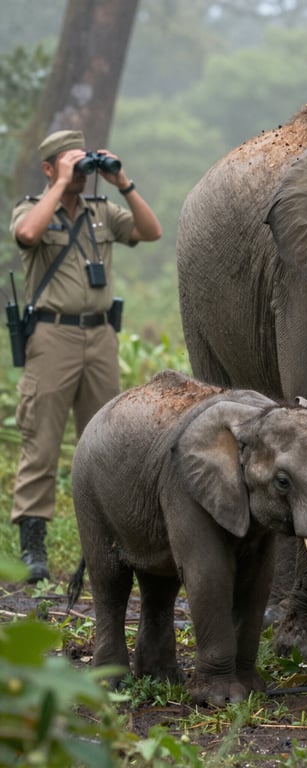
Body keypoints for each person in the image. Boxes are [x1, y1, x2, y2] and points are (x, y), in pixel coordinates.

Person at [9, 129, 162, 583]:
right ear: (48, 166)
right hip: (52, 337)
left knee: (108, 442)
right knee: (42, 442)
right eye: (67, 161)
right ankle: (33, 546)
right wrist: (60, 185)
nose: (78, 171)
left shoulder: (102, 213)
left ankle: (111, 540)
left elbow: (150, 231)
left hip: (100, 339)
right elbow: (26, 234)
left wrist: (123, 182)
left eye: (82, 162)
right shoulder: (33, 206)